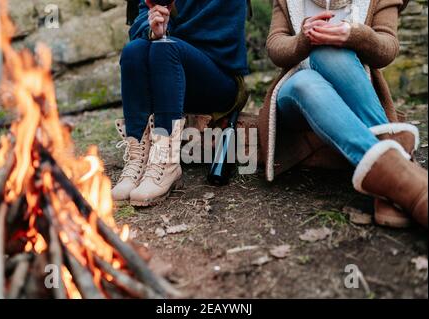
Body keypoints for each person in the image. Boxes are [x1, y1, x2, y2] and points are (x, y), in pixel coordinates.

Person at [258, 0, 427, 228]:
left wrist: (355, 36)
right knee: (305, 81)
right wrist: (303, 39)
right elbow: (275, 46)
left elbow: (388, 47)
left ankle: (394, 183)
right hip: (295, 94)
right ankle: (413, 185)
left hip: (352, 88)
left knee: (328, 53)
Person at [112, 0, 249, 206]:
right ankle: (137, 159)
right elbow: (141, 17)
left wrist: (167, 31)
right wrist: (153, 30)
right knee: (133, 50)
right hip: (169, 74)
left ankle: (166, 161)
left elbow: (219, 37)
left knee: (165, 48)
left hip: (220, 80)